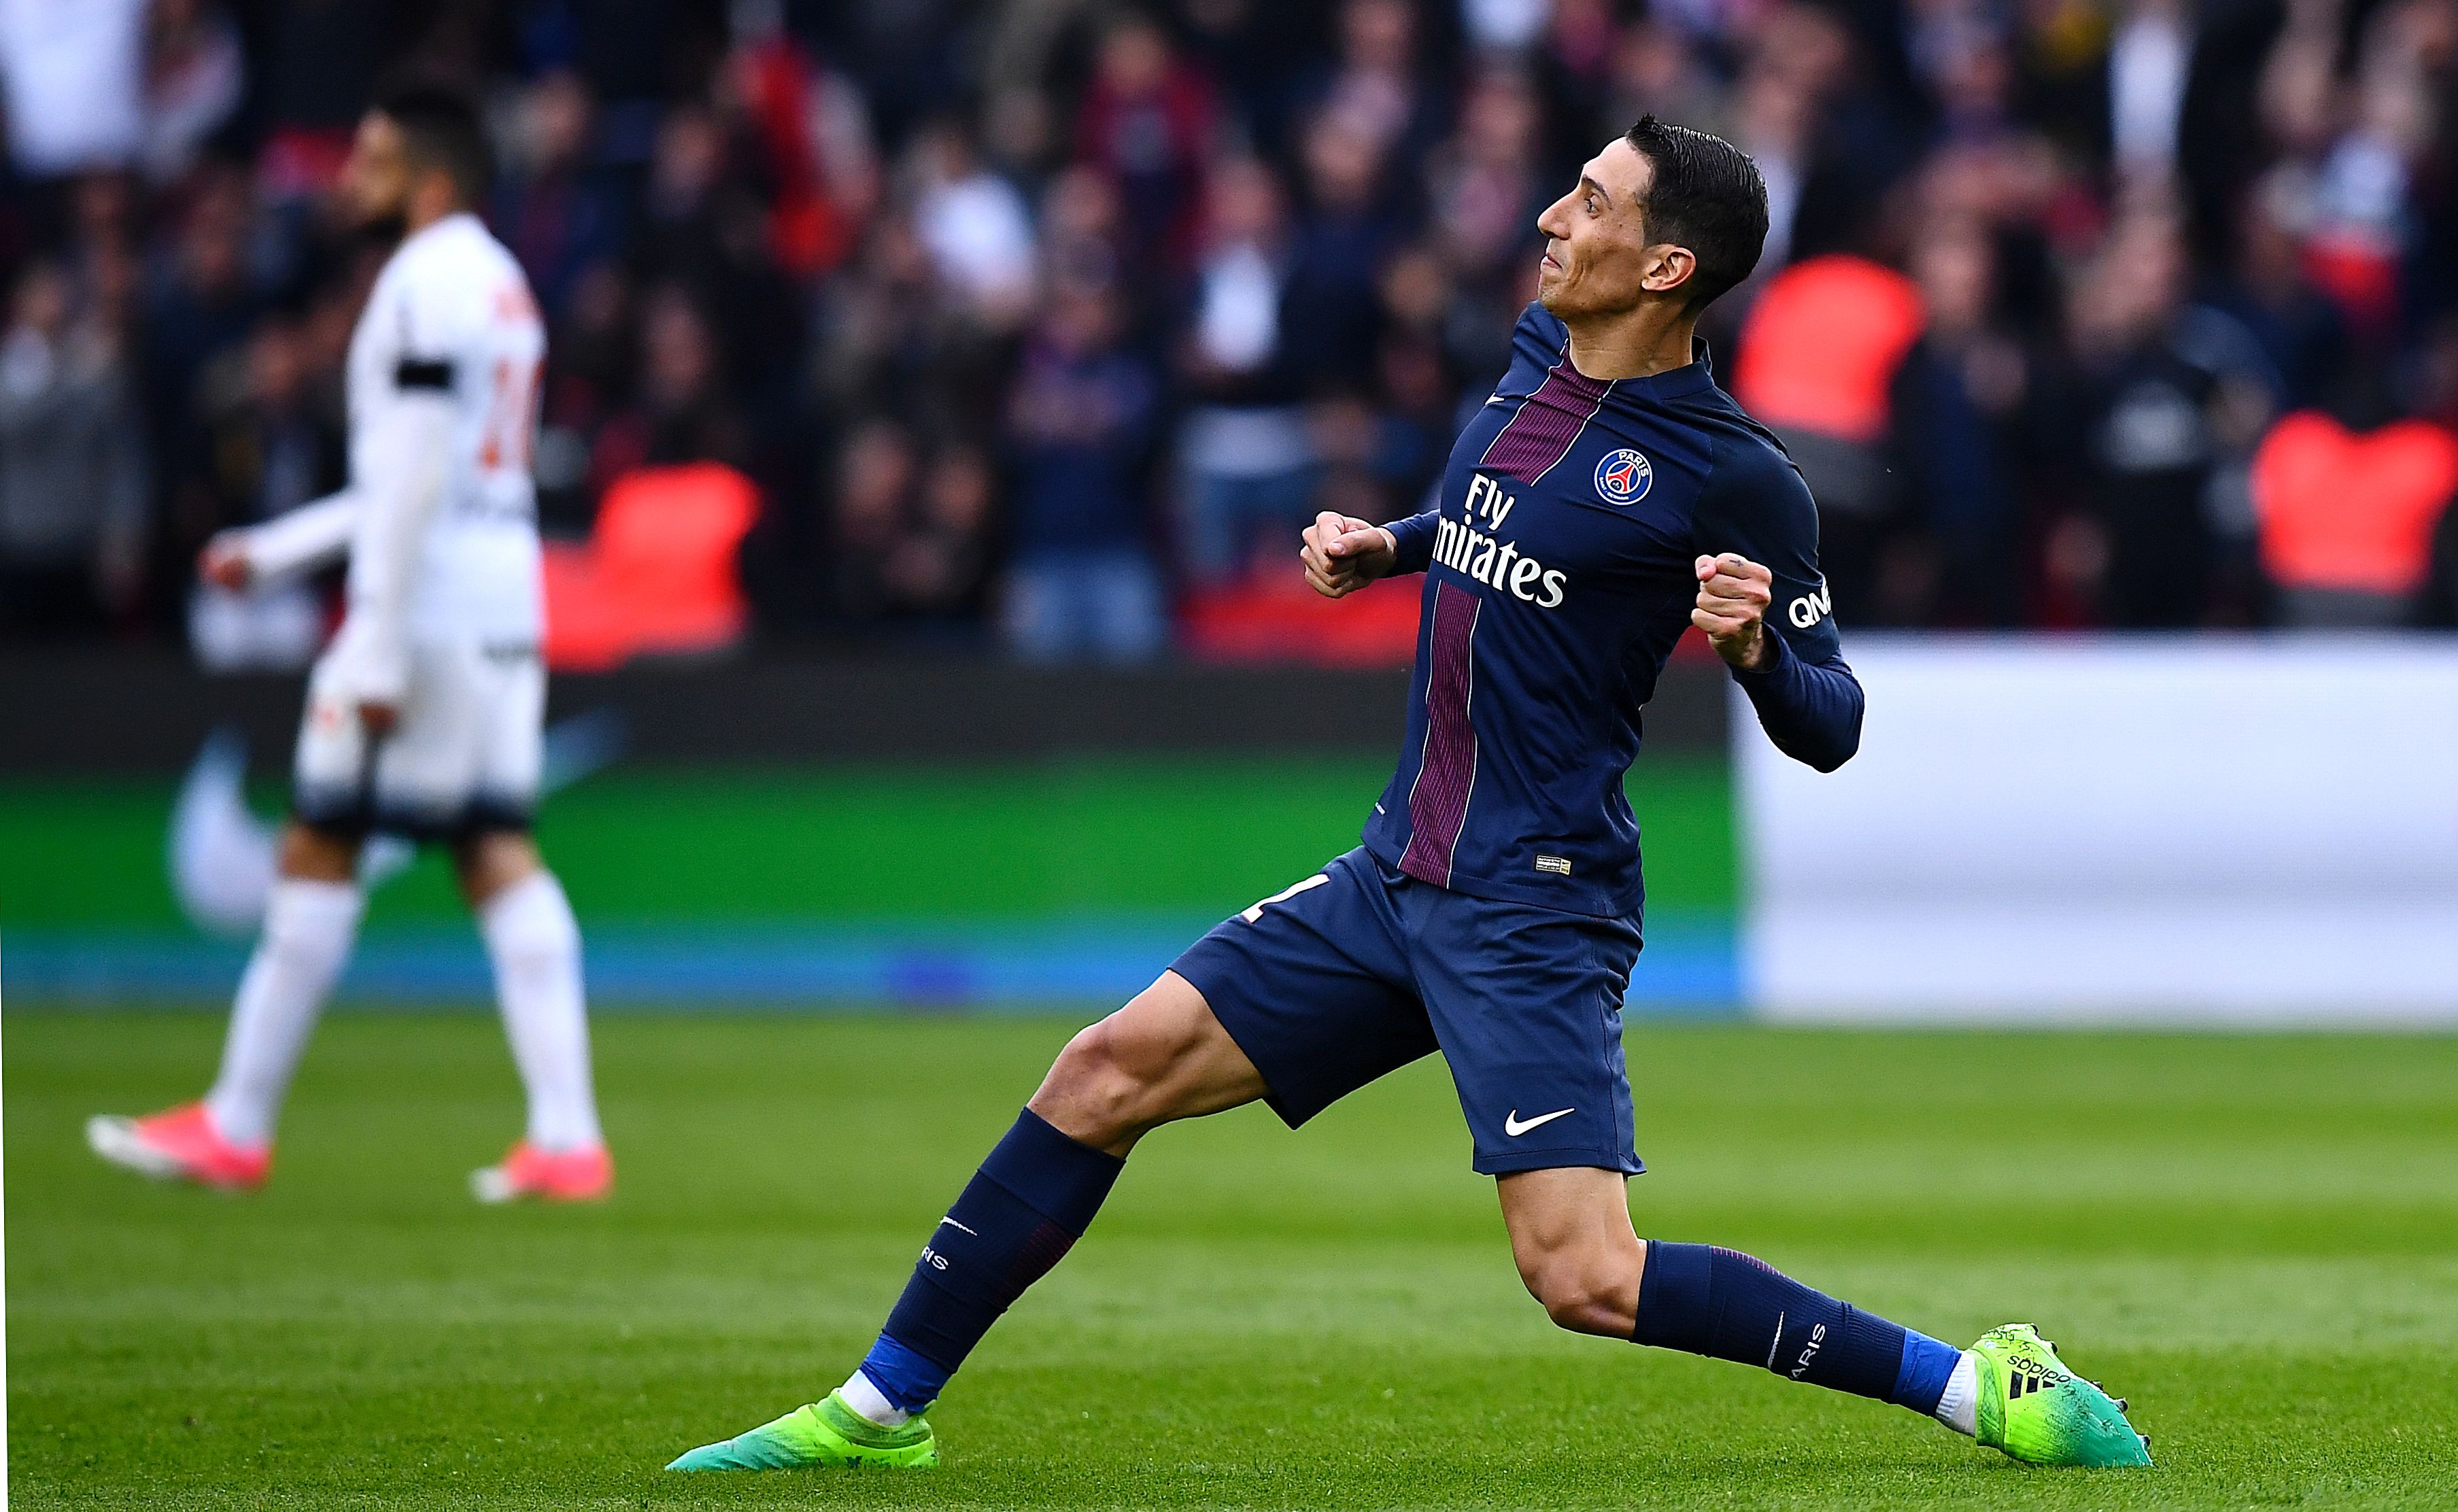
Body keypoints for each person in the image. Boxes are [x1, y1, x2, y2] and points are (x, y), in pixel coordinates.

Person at [668, 118, 2149, 1475]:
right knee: (1100, 1070)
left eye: (1587, 203)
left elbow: (1830, 723)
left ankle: (1972, 1382)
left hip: (1530, 903)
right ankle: (877, 1408)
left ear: (1666, 264)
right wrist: (1391, 543)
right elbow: (1494, 514)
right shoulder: (1530, 356)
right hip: (1395, 874)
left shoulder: (1738, 479)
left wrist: (1757, 648)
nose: (1547, 219)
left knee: (1583, 1276)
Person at [86, 84, 613, 1204]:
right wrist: (279, 551)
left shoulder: (422, 285)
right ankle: (567, 1136)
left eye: (369, 161)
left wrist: (370, 641)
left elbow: (413, 474)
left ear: (428, 180)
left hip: (419, 606)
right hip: (499, 593)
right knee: (492, 844)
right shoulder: (502, 284)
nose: (347, 181)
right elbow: (449, 471)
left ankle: (236, 1123)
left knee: (320, 838)